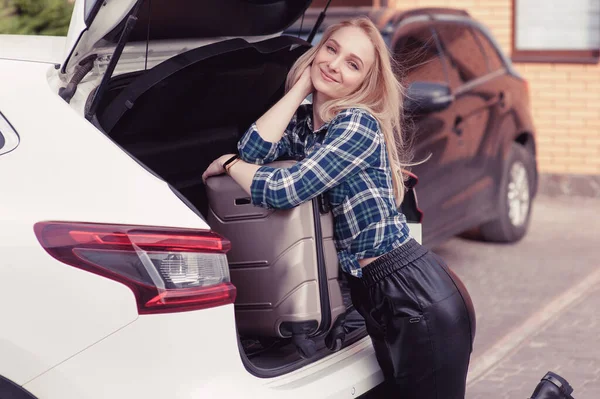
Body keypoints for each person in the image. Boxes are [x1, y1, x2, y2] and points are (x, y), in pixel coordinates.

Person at [202, 17, 476, 399]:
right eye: (331, 50)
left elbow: (285, 189)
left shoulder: (357, 125)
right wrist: (300, 88)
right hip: (378, 296)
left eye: (353, 64)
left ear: (364, 83)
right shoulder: (305, 129)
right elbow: (254, 151)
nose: (334, 64)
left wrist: (229, 164)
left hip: (414, 292)